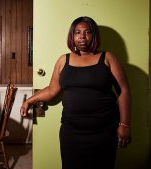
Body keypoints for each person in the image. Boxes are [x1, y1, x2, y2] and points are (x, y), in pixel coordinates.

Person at [20, 16, 131, 169]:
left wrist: (124, 125)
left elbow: (124, 91)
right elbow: (52, 90)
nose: (82, 36)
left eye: (87, 32)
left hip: (104, 132)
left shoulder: (108, 58)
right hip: (71, 133)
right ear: (72, 36)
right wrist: (29, 101)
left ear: (94, 36)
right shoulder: (63, 60)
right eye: (77, 32)